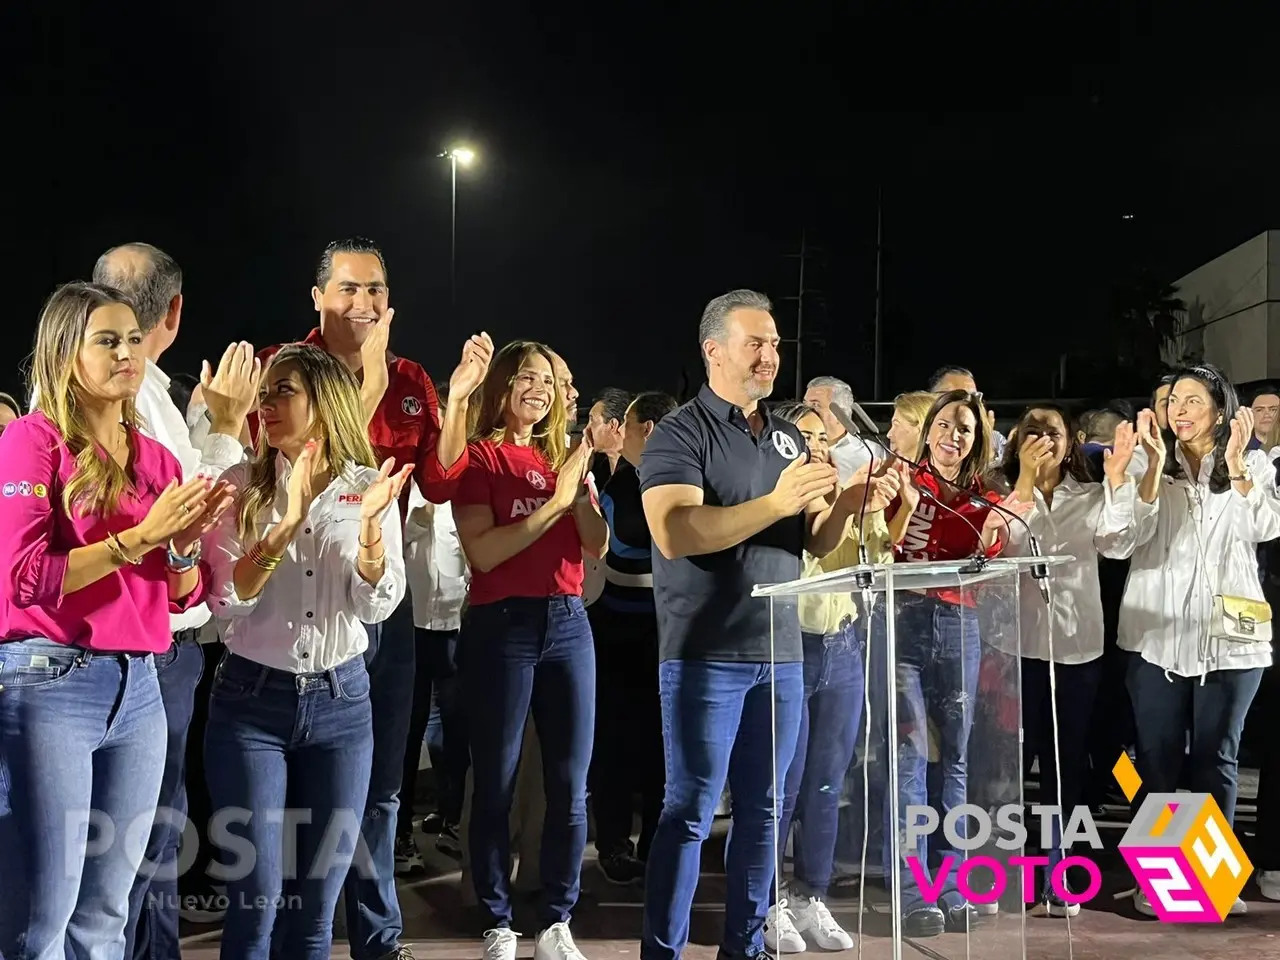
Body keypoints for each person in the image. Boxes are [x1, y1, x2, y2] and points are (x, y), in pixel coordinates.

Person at [639, 290, 898, 960]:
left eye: (776, 344)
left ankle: (746, 948)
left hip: (782, 654)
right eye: (756, 343)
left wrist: (846, 498)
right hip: (706, 653)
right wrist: (775, 499)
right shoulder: (680, 433)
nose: (769, 356)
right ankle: (661, 950)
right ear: (713, 350)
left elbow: (809, 540)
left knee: (763, 814)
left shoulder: (786, 436)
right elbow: (675, 532)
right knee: (691, 813)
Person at [254, 237, 479, 960]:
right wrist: (372, 377)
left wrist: (463, 398)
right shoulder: (283, 370)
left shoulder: (414, 378)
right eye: (349, 289)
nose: (365, 303)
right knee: (300, 796)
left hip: (380, 598)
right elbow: (329, 453)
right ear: (317, 297)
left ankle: (376, 936)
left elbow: (442, 483)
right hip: (297, 609)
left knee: (382, 783)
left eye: (377, 289)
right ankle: (297, 932)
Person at [0, 282, 233, 960]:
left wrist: (184, 544)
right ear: (66, 352)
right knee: (41, 919)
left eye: (133, 339)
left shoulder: (157, 460)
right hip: (49, 684)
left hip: (141, 691)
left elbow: (183, 598)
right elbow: (24, 578)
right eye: (107, 340)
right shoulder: (30, 442)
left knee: (106, 913)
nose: (127, 352)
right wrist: (139, 538)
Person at [84, 242, 260, 959]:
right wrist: (223, 427)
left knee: (140, 836)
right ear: (177, 311)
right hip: (142, 647)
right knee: (136, 839)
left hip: (144, 644)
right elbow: (184, 514)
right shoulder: (126, 390)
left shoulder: (145, 390)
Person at [204, 344, 409, 959]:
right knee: (257, 902)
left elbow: (377, 604)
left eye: (281, 392)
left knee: (317, 909)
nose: (264, 405)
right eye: (262, 394)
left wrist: (371, 532)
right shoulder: (239, 485)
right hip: (249, 705)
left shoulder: (367, 486)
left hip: (342, 705)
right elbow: (224, 601)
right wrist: (286, 524)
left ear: (324, 401)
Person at [1098, 364, 1279, 918]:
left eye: (1193, 400)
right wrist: (1139, 476)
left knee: (1216, 761)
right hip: (1157, 641)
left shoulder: (1252, 464)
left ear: (1220, 411)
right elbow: (1115, 540)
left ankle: (1208, 882)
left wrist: (1238, 472)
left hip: (1233, 641)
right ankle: (1162, 884)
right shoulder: (1149, 466)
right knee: (1157, 762)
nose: (1179, 409)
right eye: (1174, 400)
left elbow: (1267, 526)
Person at [452, 340, 609, 960]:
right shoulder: (479, 458)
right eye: (526, 377)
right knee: (497, 779)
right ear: (502, 386)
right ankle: (497, 918)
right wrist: (556, 499)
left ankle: (556, 918)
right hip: (503, 626)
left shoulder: (561, 459)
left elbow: (595, 544)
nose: (540, 389)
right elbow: (484, 553)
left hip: (569, 623)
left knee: (570, 784)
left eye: (549, 379)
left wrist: (578, 489)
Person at [878, 389, 1030, 937]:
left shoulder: (990, 496)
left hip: (961, 626)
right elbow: (880, 546)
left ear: (976, 439)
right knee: (912, 760)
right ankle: (914, 893)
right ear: (928, 433)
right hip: (906, 624)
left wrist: (999, 539)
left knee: (956, 759)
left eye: (964, 428)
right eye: (944, 425)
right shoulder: (901, 481)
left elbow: (997, 558)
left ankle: (953, 886)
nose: (952, 436)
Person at [765, 400, 902, 953]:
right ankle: (764, 901)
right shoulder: (776, 498)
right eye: (805, 437)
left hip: (841, 644)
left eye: (824, 439)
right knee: (782, 787)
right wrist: (845, 504)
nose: (818, 447)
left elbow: (877, 565)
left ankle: (809, 894)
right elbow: (811, 546)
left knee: (825, 785)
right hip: (789, 646)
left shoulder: (847, 494)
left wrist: (879, 512)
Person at [993, 404, 1133, 916]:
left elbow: (1118, 544)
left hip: (1076, 651)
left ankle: (1059, 868)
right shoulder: (1004, 496)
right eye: (1031, 431)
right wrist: (1025, 483)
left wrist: (1116, 482)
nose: (1042, 439)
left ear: (1070, 441)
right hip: (1013, 649)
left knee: (1065, 766)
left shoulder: (1090, 496)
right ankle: (1005, 869)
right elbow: (1001, 550)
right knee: (1009, 767)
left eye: (1052, 431)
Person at [588, 391, 676, 886]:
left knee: (661, 745)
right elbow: (623, 547)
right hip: (616, 628)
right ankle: (615, 845)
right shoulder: (616, 481)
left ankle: (657, 843)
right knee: (616, 742)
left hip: (666, 631)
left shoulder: (684, 479)